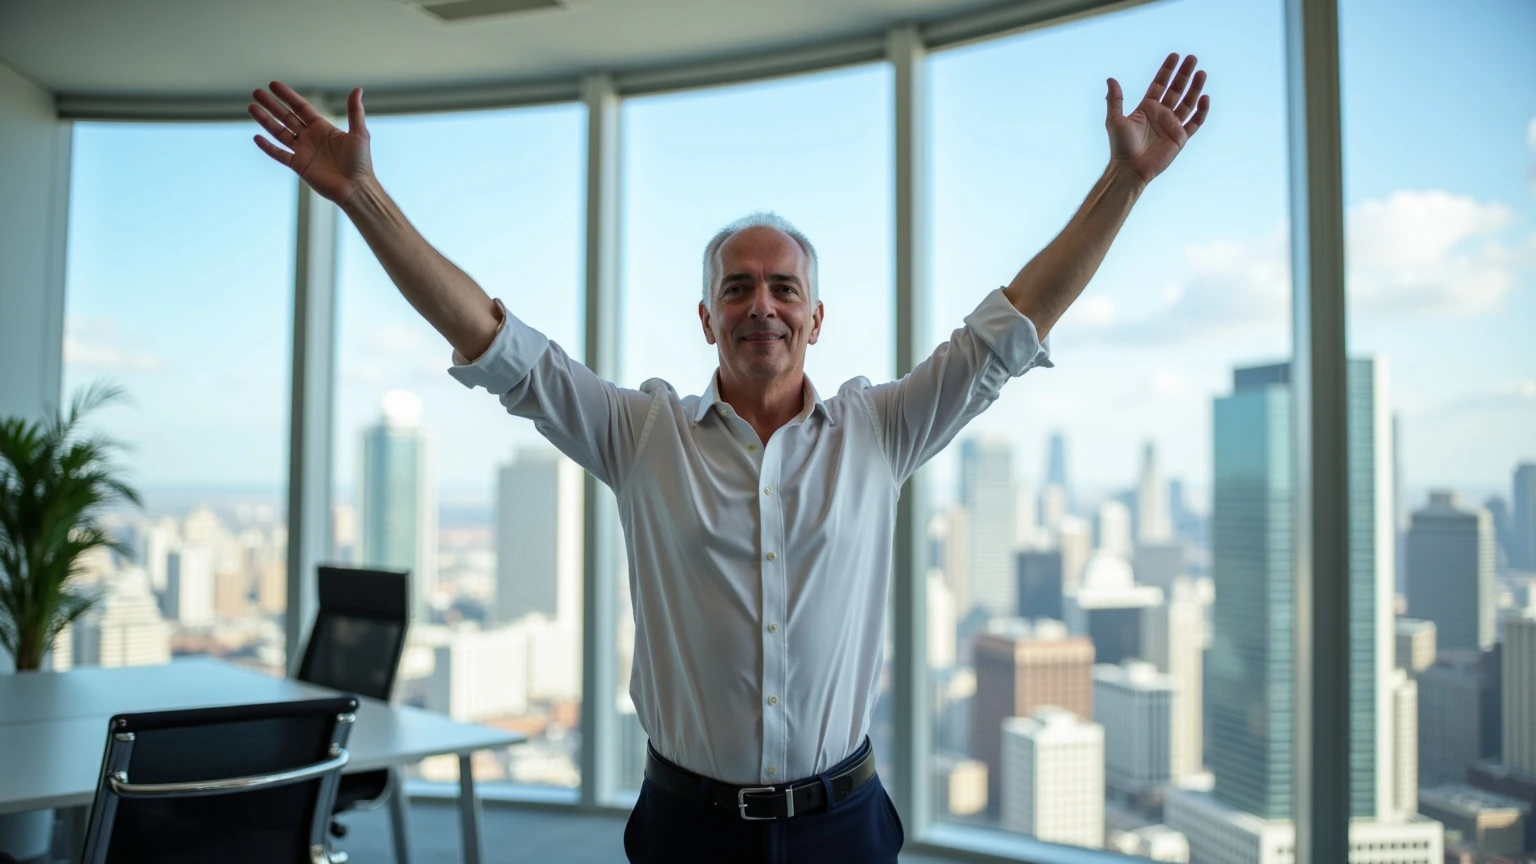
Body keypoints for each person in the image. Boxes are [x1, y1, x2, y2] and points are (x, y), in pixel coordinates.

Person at [249, 51, 1209, 864]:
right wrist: (362, 196)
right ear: (706, 317)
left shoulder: (880, 432)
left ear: (817, 319)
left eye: (785, 289)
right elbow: (499, 345)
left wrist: (1124, 181)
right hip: (685, 829)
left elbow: (1009, 329)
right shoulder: (641, 434)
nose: (763, 306)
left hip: (846, 826)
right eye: (739, 288)